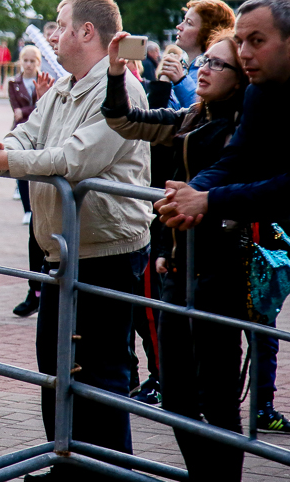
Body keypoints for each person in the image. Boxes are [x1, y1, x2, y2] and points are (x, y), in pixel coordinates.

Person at [0, 0, 153, 481]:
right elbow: (29, 133)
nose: (51, 34)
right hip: (65, 248)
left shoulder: (122, 91)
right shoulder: (66, 87)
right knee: (56, 363)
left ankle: (107, 473)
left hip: (105, 251)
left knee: (99, 372)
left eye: (59, 24)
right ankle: (67, 462)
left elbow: (75, 158)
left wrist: (4, 161)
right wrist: (0, 148)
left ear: (86, 31)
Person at [147, 0, 290, 478]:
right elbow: (238, 160)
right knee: (181, 394)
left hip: (225, 269)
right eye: (239, 41)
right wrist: (189, 196)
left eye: (255, 41)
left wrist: (208, 201)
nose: (244, 53)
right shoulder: (263, 90)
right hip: (191, 264)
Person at [102, 29, 249, 481]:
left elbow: (226, 180)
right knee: (177, 396)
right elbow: (124, 120)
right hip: (177, 270)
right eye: (204, 61)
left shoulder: (245, 126)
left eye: (218, 64)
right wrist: (116, 72)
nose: (204, 69)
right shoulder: (191, 116)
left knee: (218, 400)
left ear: (242, 76)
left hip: (219, 273)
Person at [7, 44, 54, 319]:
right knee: (36, 233)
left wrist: (40, 103)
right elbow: (21, 119)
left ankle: (46, 291)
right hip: (34, 155)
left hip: (56, 168)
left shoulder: (60, 80)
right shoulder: (16, 83)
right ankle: (35, 290)